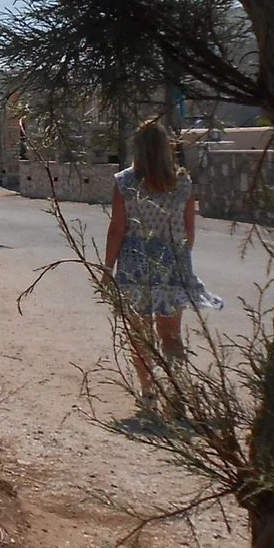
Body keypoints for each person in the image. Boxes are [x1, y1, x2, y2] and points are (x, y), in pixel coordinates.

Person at [103, 117, 223, 387]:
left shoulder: (124, 182)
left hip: (135, 265)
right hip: (173, 262)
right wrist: (180, 258)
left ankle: (148, 389)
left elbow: (117, 230)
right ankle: (178, 388)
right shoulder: (182, 183)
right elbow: (189, 228)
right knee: (170, 333)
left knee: (140, 333)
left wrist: (107, 268)